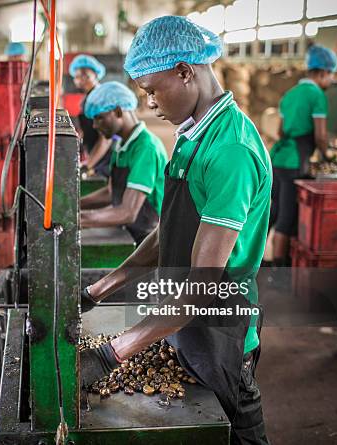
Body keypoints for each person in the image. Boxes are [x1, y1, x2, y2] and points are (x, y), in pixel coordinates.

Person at [79, 16, 271, 445]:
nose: (147, 103)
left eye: (151, 90)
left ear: (186, 71)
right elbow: (170, 231)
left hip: (221, 327)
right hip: (181, 322)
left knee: (238, 430)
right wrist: (97, 291)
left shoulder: (230, 152)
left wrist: (111, 354)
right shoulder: (190, 137)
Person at [269, 45, 337, 267]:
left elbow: (280, 131)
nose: (330, 81)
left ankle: (251, 260)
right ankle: (279, 270)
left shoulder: (289, 94)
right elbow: (320, 135)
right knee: (287, 219)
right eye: (331, 75)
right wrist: (328, 155)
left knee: (274, 211)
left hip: (278, 158)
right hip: (294, 163)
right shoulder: (317, 96)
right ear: (322, 73)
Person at [80, 81, 167, 245]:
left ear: (118, 111)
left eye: (99, 118)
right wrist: (75, 205)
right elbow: (111, 192)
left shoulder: (146, 148)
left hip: (150, 238)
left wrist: (79, 219)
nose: (95, 125)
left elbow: (128, 212)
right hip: (129, 231)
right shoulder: (120, 144)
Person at [69, 54, 113, 177]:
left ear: (96, 75)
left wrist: (88, 165)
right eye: (77, 76)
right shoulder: (87, 99)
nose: (81, 80)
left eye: (85, 76)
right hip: (96, 153)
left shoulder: (99, 98)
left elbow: (106, 139)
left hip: (107, 158)